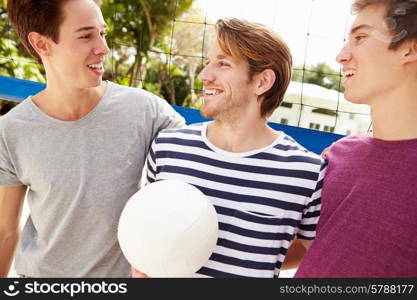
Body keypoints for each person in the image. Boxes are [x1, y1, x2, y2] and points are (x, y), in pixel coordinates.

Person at [0, 0, 185, 278]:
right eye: (86, 35)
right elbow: (5, 231)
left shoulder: (148, 112)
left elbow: (209, 160)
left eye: (103, 33)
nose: (103, 48)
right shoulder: (11, 131)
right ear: (42, 44)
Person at [132, 18, 327, 278]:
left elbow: (314, 251)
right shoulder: (169, 148)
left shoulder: (307, 172)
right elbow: (148, 245)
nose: (204, 76)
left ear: (262, 82)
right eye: (207, 63)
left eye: (223, 64)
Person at [295, 0, 417, 277]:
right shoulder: (338, 155)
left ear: (410, 48)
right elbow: (313, 248)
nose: (341, 55)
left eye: (360, 38)